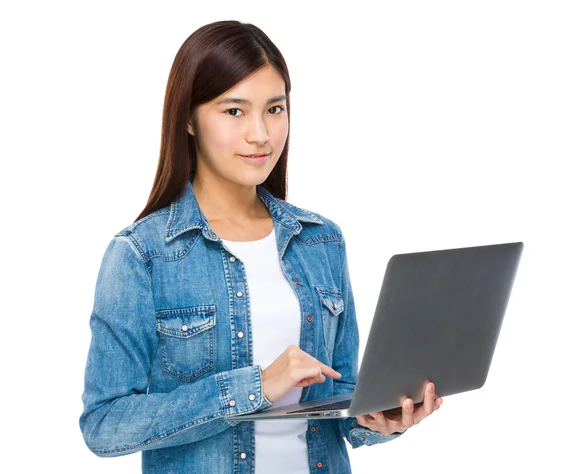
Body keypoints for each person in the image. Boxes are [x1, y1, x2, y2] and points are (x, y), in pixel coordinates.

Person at [79, 20, 442, 474]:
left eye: (274, 108)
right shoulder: (141, 256)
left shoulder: (321, 240)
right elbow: (104, 424)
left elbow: (343, 403)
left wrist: (380, 419)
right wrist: (255, 387)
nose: (261, 134)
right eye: (234, 111)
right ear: (189, 119)